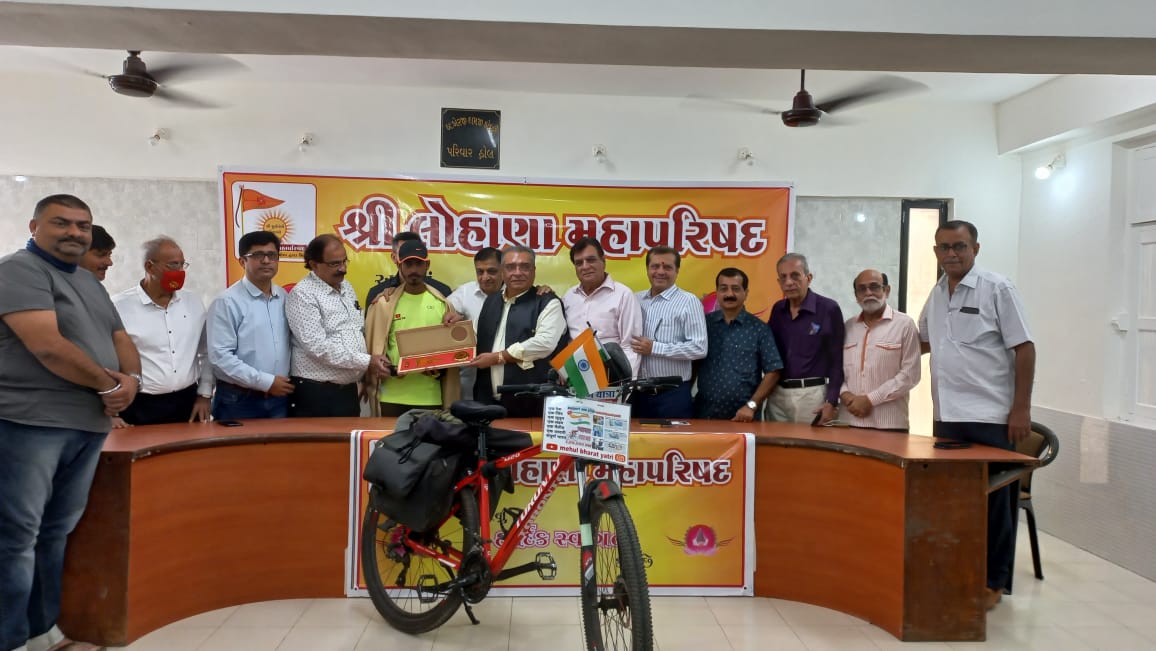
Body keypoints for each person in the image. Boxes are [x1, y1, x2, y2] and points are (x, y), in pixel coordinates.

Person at [0, 194, 141, 651]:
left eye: (83, 225)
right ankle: (10, 638)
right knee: (16, 537)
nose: (75, 233)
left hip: (87, 424)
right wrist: (109, 385)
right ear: (34, 226)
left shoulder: (87, 280)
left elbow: (120, 337)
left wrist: (132, 381)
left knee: (55, 531)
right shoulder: (18, 270)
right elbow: (47, 345)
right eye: (61, 223)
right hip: (29, 423)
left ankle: (42, 630)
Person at [919, 219, 1035, 611]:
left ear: (975, 248)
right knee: (955, 501)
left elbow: (1025, 347)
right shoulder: (938, 292)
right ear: (936, 252)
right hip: (947, 416)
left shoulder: (997, 288)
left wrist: (1020, 408)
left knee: (995, 502)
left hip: (992, 417)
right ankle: (961, 571)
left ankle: (994, 582)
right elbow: (922, 342)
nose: (951, 254)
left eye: (959, 246)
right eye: (944, 247)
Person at [112, 236, 214, 425]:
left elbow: (206, 352)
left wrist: (205, 394)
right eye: (173, 265)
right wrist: (112, 413)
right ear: (150, 267)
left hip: (187, 402)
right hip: (139, 405)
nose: (180, 271)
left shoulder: (193, 302)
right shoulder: (119, 306)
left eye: (182, 265)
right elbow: (108, 360)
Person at [286, 235, 389, 417]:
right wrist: (367, 362)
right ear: (314, 264)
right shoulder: (303, 294)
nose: (343, 269)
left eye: (344, 261)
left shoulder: (346, 287)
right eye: (334, 264)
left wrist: (362, 375)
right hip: (316, 393)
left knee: (349, 436)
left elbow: (356, 330)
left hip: (347, 391)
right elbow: (317, 347)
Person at [364, 240, 460, 416]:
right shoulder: (384, 303)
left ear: (427, 265)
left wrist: (440, 367)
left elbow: (452, 350)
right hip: (390, 396)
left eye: (418, 264)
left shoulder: (443, 303)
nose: (413, 270)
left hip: (430, 397)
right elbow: (371, 348)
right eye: (408, 264)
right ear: (399, 265)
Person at [472, 246, 569, 417]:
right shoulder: (490, 301)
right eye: (510, 267)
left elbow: (544, 343)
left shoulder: (547, 302)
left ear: (534, 270)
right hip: (486, 403)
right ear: (502, 271)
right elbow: (475, 338)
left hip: (530, 404)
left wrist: (498, 357)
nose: (517, 273)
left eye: (524, 267)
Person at [207, 230, 293, 420]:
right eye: (257, 255)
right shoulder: (227, 302)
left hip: (280, 398)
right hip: (239, 400)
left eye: (272, 255)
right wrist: (266, 382)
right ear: (242, 261)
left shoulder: (284, 297)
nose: (266, 261)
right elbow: (220, 357)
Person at [766, 253, 845, 424]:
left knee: (810, 442)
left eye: (795, 275)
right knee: (774, 442)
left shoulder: (828, 308)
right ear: (779, 282)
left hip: (811, 395)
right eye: (783, 277)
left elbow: (838, 359)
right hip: (777, 395)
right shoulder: (778, 310)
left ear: (808, 278)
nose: (789, 282)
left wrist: (832, 400)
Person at [694, 268, 783, 421]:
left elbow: (773, 371)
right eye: (723, 289)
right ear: (717, 292)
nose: (729, 294)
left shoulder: (759, 329)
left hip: (744, 417)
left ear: (745, 293)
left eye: (735, 289)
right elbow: (693, 364)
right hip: (704, 414)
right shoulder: (703, 325)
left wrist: (752, 406)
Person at [630, 246, 707, 418]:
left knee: (674, 437)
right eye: (655, 266)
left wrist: (655, 348)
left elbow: (699, 348)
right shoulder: (635, 299)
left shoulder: (689, 301)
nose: (660, 271)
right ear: (647, 269)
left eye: (667, 267)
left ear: (677, 271)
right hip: (637, 393)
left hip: (672, 396)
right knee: (635, 436)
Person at [838, 269, 921, 431]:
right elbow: (835, 369)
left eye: (874, 287)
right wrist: (846, 396)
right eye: (862, 289)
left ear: (886, 290)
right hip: (848, 421)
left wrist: (870, 400)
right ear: (856, 295)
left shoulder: (904, 325)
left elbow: (910, 374)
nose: (868, 293)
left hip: (890, 425)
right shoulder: (848, 327)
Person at [562, 236, 643, 378]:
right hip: (576, 378)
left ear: (603, 261)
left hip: (611, 377)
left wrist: (626, 383)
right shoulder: (569, 296)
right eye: (579, 263)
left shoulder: (623, 295)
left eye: (591, 260)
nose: (585, 266)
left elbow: (630, 346)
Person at [445, 247, 504, 401]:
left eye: (491, 271)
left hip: (505, 374)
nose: (485, 277)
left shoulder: (514, 292)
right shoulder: (464, 293)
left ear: (503, 269)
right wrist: (450, 318)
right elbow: (442, 314)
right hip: (469, 379)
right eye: (480, 272)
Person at [364, 230, 453, 309]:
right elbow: (373, 322)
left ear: (427, 264)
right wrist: (380, 306)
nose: (413, 269)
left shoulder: (442, 291)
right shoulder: (377, 294)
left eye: (415, 252)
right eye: (405, 251)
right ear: (394, 258)